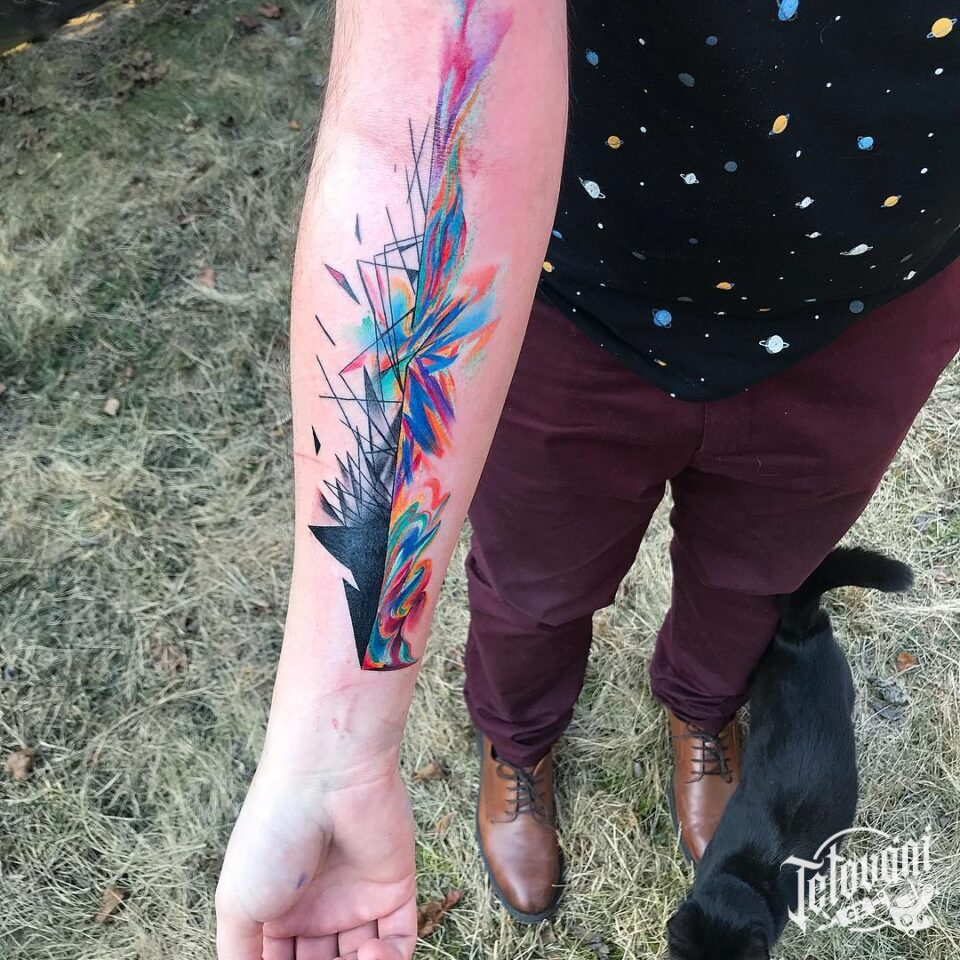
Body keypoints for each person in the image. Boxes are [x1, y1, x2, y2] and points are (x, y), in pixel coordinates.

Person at [215, 1, 960, 956]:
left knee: (757, 577)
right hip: (573, 297)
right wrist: (334, 749)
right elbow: (425, 133)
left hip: (878, 304)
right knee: (533, 584)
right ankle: (518, 742)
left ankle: (702, 711)